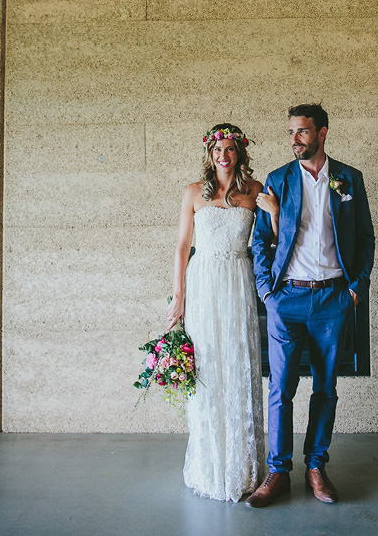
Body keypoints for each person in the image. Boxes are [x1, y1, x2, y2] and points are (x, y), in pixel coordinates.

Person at [246, 103, 375, 507]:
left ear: (322, 133)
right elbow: (260, 243)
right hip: (289, 299)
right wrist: (269, 293)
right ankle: (278, 472)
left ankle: (316, 467)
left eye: (302, 132)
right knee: (281, 389)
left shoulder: (349, 178)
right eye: (291, 132)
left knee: (326, 389)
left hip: (334, 298)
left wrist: (356, 288)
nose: (294, 140)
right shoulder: (278, 180)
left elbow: (366, 237)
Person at [166, 123, 270, 503]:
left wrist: (273, 212)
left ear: (239, 152)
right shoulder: (194, 192)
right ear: (210, 155)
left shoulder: (255, 191)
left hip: (239, 283)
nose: (223, 155)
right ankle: (211, 465)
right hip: (205, 284)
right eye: (217, 150)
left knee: (238, 366)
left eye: (229, 149)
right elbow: (181, 247)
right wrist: (179, 297)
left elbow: (273, 238)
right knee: (208, 369)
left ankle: (242, 467)